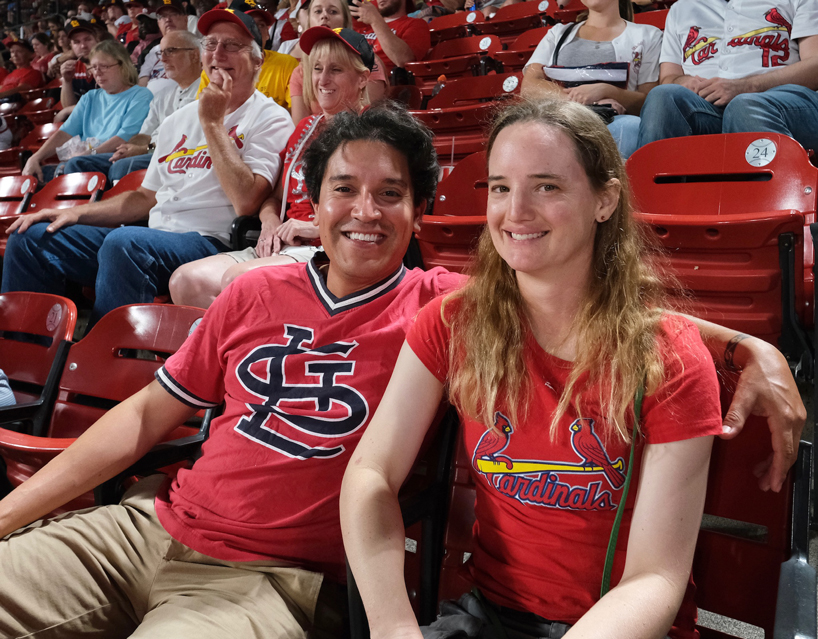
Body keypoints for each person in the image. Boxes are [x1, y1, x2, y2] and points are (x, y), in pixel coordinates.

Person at [0, 104, 806, 639]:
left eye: (391, 194)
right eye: (343, 189)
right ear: (309, 203)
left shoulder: (440, 303)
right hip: (152, 525)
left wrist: (749, 344)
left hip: (269, 583)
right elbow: (146, 421)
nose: (364, 211)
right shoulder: (274, 292)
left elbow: (595, 308)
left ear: (420, 214)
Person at [339, 98, 792, 639]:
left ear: (605, 200)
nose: (516, 212)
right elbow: (370, 475)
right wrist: (393, 629)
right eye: (501, 187)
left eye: (547, 186)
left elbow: (655, 578)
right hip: (491, 616)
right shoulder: (454, 322)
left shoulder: (666, 356)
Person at [2, 9, 293, 327]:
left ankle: (106, 365)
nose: (218, 54)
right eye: (210, 44)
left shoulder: (270, 117)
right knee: (30, 237)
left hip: (212, 242)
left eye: (232, 46)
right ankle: (23, 366)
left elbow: (247, 201)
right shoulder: (177, 119)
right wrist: (77, 213)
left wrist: (212, 123)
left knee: (124, 244)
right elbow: (143, 198)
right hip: (153, 236)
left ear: (257, 61)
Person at [170, 25, 374, 307]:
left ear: (363, 78)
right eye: (316, 69)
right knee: (186, 280)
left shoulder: (375, 132)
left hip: (332, 248)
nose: (323, 79)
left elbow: (376, 210)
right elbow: (275, 199)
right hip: (284, 243)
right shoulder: (305, 127)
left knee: (237, 280)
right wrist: (270, 222)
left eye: (335, 70)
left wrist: (315, 227)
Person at [636, 0, 818, 152]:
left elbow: (814, 67)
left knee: (744, 107)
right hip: (710, 108)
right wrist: (682, 81)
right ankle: (652, 194)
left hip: (782, 103)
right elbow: (669, 78)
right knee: (663, 98)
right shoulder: (682, 8)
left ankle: (774, 193)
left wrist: (747, 87)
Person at [522, 0, 662, 159]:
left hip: (616, 123)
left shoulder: (648, 35)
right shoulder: (557, 33)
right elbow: (529, 86)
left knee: (630, 128)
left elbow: (650, 105)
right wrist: (586, 103)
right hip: (560, 120)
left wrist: (607, 91)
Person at [66, 29, 201, 183]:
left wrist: (144, 149)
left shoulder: (208, 92)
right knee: (80, 164)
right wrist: (129, 149)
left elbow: (187, 140)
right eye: (161, 53)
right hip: (151, 153)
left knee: (122, 167)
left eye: (170, 51)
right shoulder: (162, 98)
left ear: (195, 55)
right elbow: (143, 136)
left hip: (182, 156)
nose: (163, 59)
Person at [21, 39, 152, 182]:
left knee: (75, 165)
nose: (98, 72)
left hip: (114, 157)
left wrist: (90, 154)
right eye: (94, 67)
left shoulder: (140, 95)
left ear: (123, 66)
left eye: (104, 66)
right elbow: (65, 133)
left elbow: (125, 136)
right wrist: (35, 158)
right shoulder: (90, 97)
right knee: (34, 175)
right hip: (84, 160)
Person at [289, 0, 386, 123]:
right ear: (308, 20)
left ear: (345, 21)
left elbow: (369, 122)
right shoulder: (299, 72)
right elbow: (300, 130)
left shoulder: (366, 61)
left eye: (333, 11)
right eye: (318, 11)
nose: (324, 16)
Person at [196, 0, 299, 110]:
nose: (256, 31)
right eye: (248, 23)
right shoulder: (215, 68)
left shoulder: (287, 63)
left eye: (261, 25)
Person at [351, 0, 430, 75]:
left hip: (383, 81)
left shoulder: (416, 24)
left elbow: (403, 60)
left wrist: (375, 20)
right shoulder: (363, 25)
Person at [138, 0, 189, 92]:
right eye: (163, 16)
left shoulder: (197, 47)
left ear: (186, 19)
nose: (168, 19)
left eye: (173, 14)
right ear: (158, 23)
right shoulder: (154, 50)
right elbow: (142, 81)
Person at [57, 18, 100, 119]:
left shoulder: (110, 62)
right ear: (71, 46)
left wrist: (68, 110)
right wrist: (66, 81)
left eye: (88, 39)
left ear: (97, 40)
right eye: (76, 42)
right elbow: (68, 106)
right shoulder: (74, 68)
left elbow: (112, 103)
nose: (83, 46)